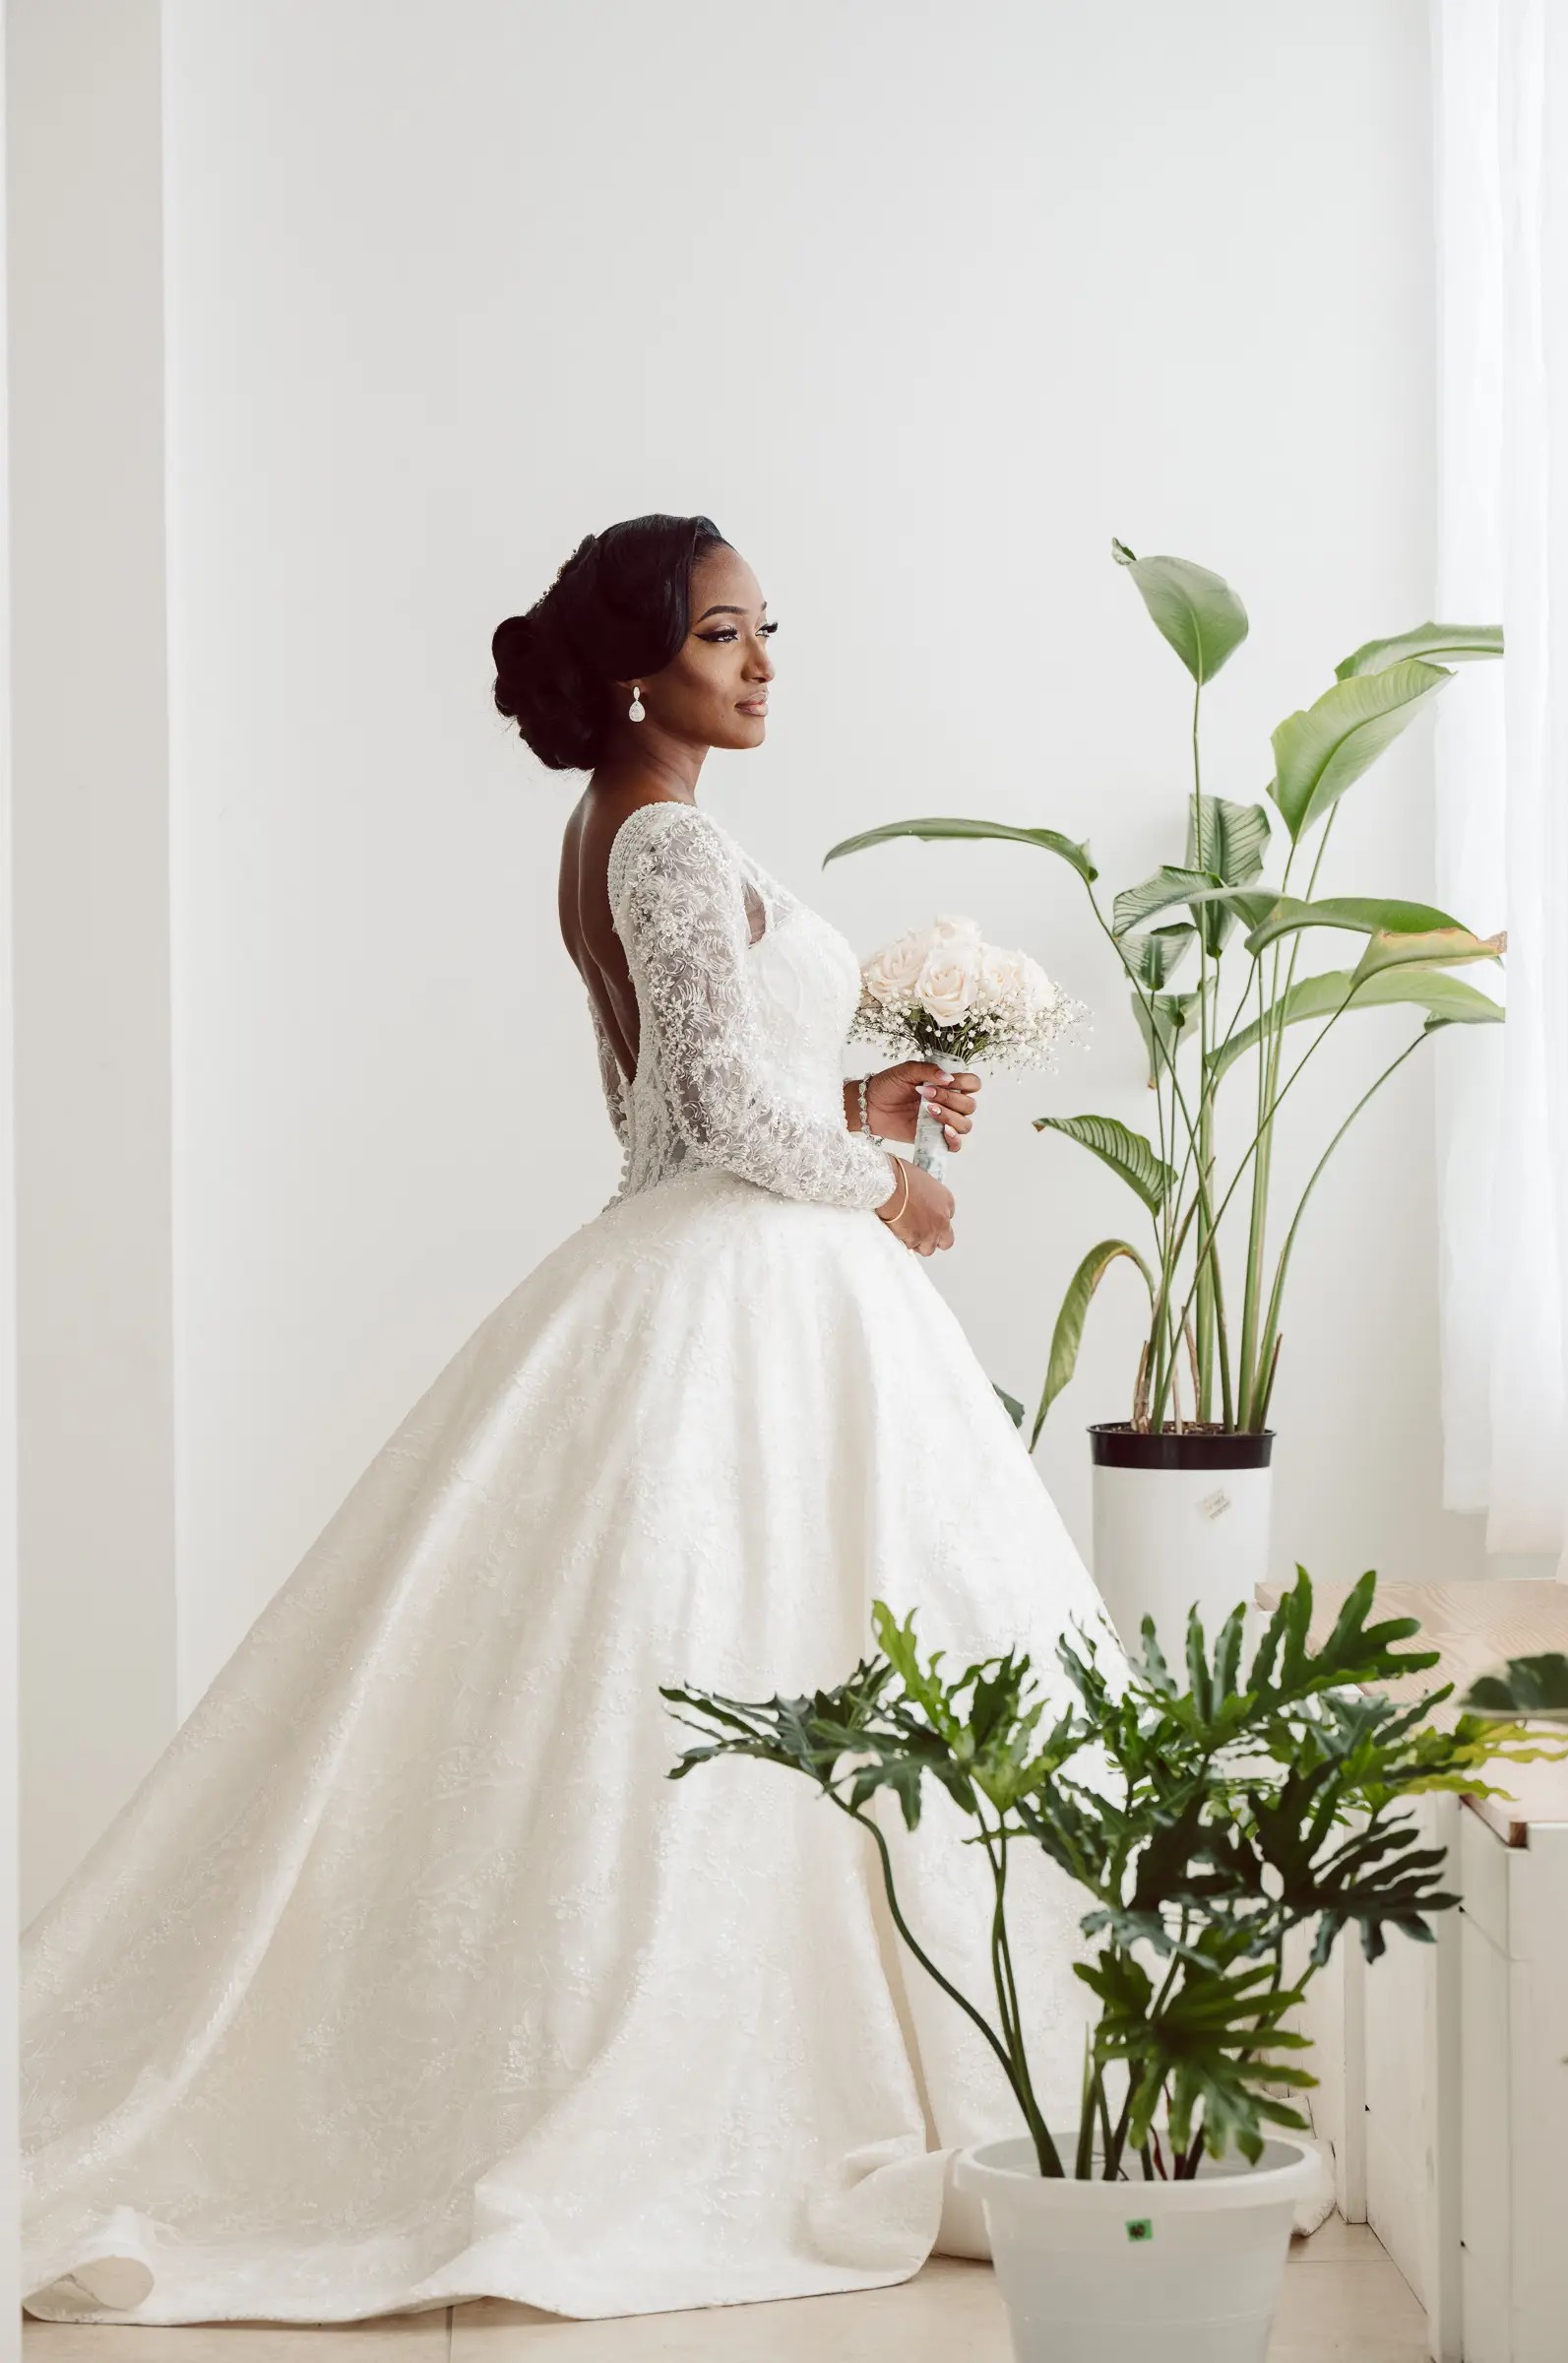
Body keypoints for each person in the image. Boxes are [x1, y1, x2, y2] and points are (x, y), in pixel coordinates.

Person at [20, 512, 1116, 2329]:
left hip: (715, 1278)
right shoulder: (669, 836)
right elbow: (713, 1125)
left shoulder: (619, 823)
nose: (761, 662)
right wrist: (889, 1183)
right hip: (745, 1287)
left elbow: (694, 1105)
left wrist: (874, 1083)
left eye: (769, 629)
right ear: (639, 661)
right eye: (724, 634)